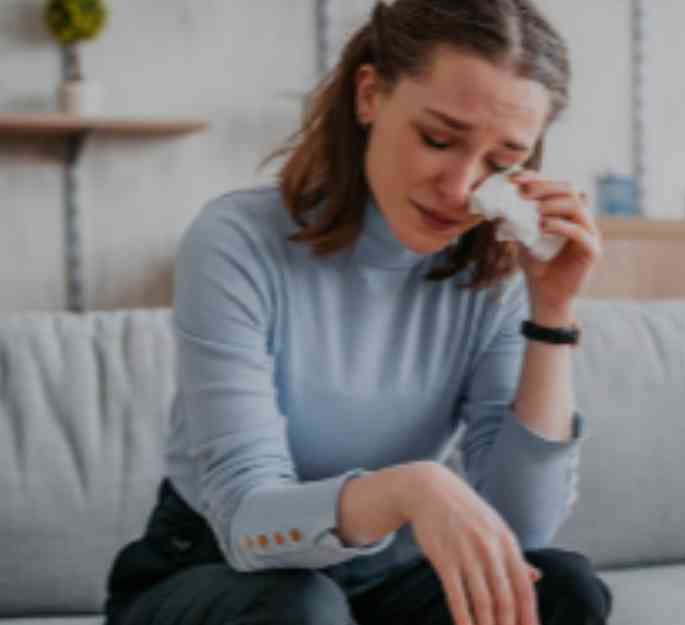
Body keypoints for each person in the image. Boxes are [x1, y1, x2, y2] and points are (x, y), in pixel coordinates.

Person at [103, 1, 612, 624]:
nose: (460, 189)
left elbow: (521, 530)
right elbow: (245, 519)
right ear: (369, 95)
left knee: (563, 588)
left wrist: (552, 312)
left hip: (381, 577)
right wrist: (410, 487)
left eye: (501, 162)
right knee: (303, 608)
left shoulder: (495, 277)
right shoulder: (236, 241)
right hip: (220, 575)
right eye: (437, 139)